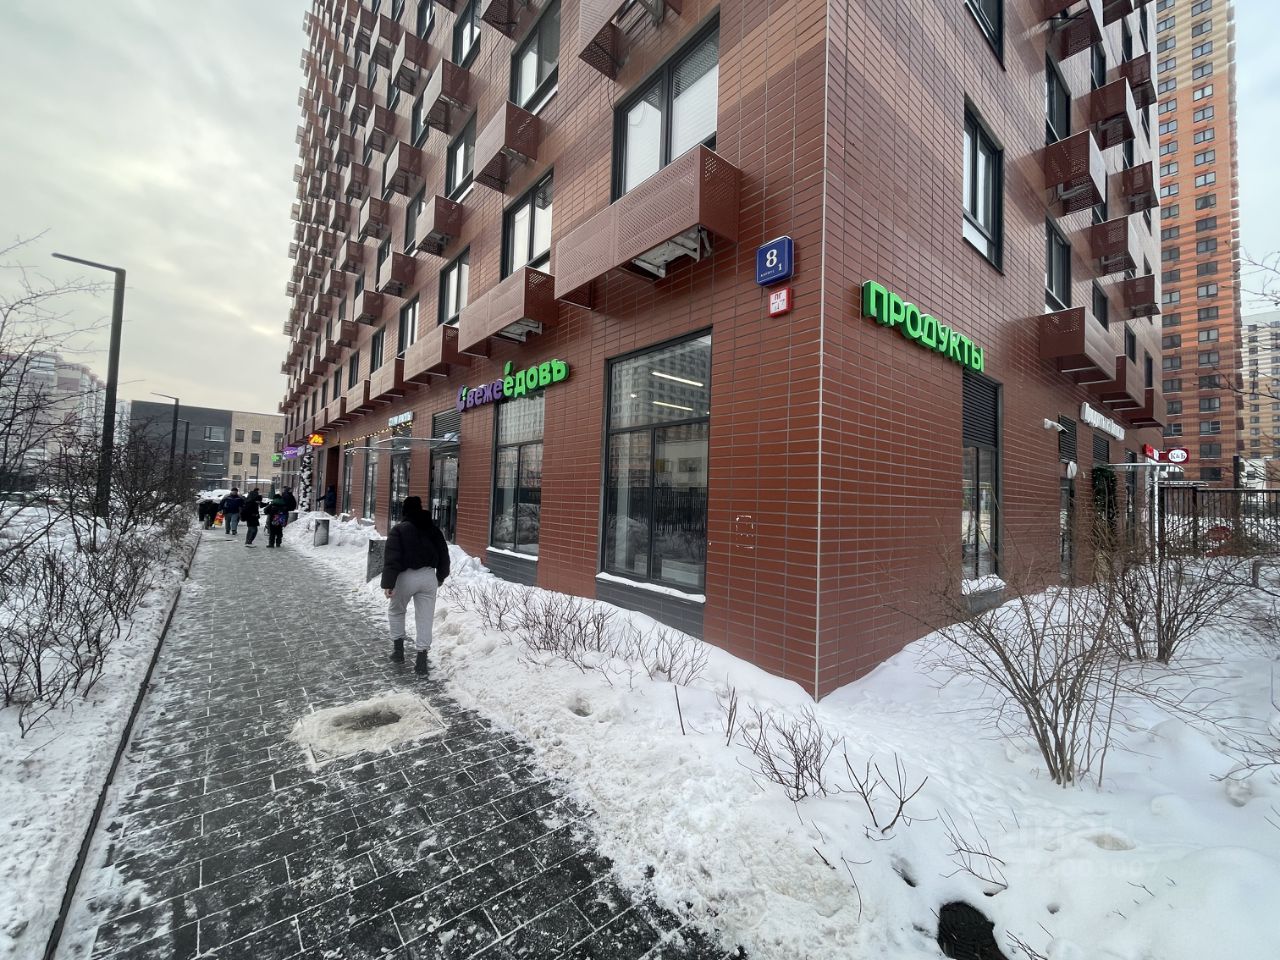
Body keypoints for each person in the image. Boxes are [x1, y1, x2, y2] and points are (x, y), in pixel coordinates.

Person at [381, 495, 450, 675]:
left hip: (405, 577)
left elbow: (392, 559)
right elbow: (444, 555)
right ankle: (421, 661)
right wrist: (440, 577)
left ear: (404, 511)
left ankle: (398, 652)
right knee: (425, 618)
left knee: (396, 611)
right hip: (429, 577)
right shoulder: (434, 530)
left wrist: (389, 584)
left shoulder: (398, 530)